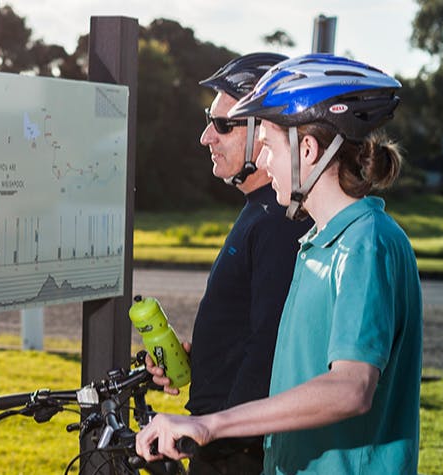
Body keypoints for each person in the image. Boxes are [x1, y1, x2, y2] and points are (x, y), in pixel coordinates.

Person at [136, 54, 422, 474]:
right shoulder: (316, 244)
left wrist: (211, 425)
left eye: (269, 146)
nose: (267, 164)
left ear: (307, 151)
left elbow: (351, 387)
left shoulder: (365, 243)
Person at [146, 52, 313, 475]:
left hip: (237, 453)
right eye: (210, 120)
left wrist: (216, 440)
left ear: (264, 131)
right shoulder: (261, 208)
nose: (206, 136)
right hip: (223, 440)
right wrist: (198, 358)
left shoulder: (280, 220)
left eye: (223, 125)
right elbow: (249, 327)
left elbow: (269, 347)